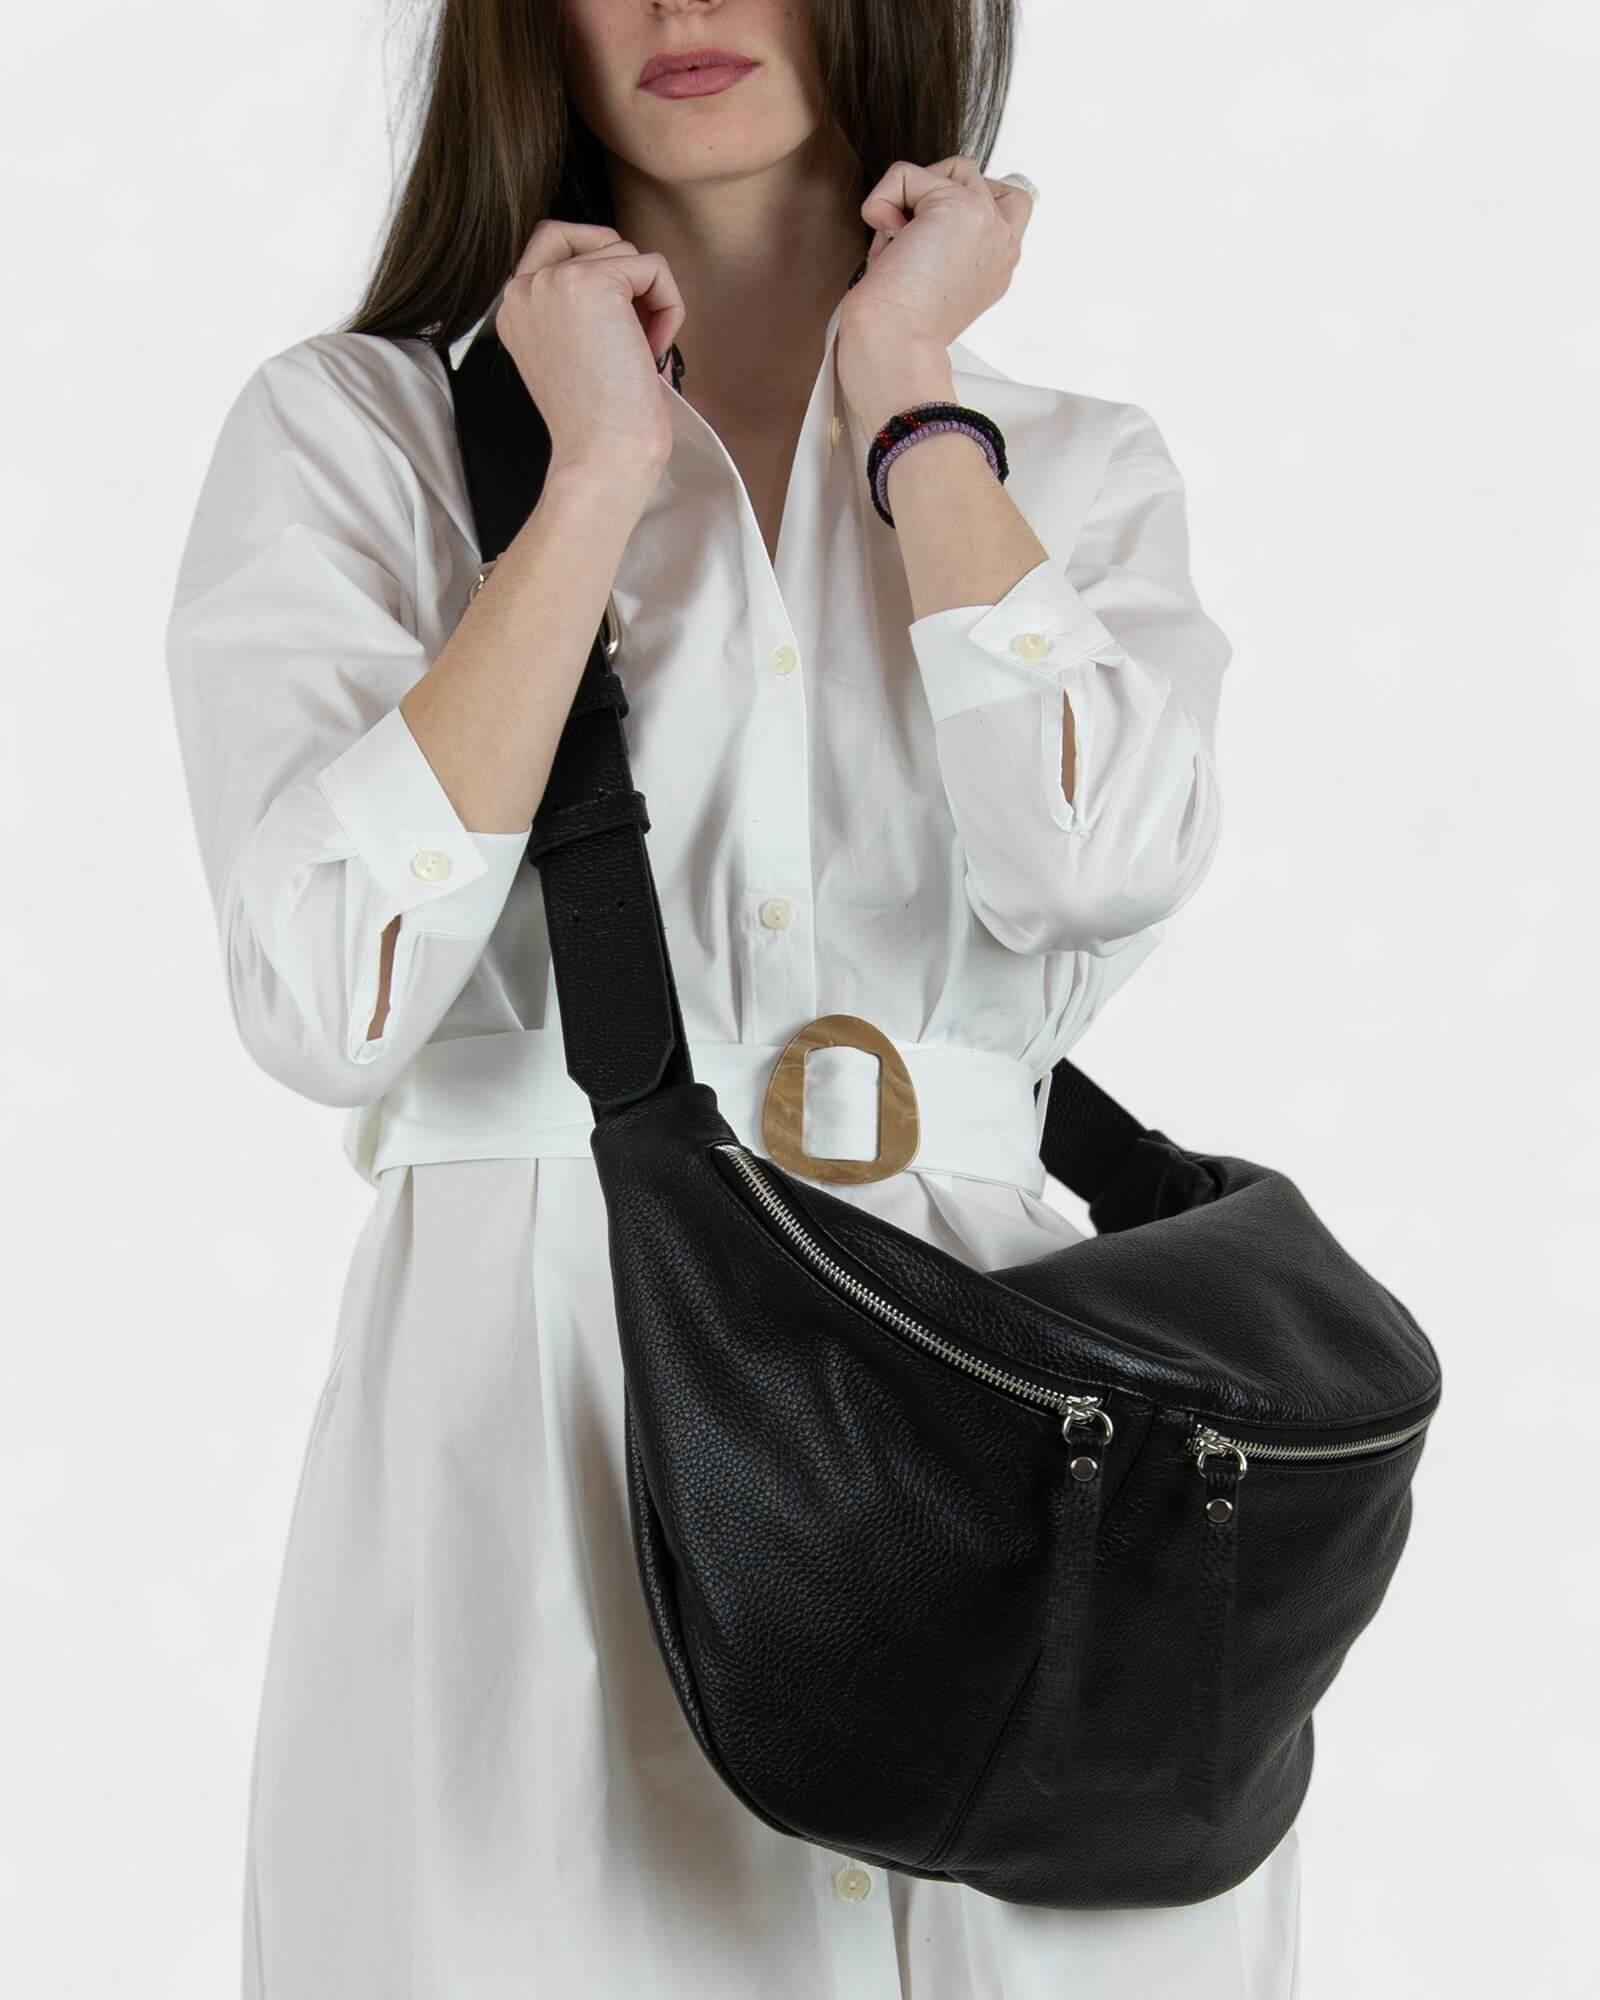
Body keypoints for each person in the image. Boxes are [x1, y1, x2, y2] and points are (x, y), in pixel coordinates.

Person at [164, 0, 1300, 1992]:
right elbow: (323, 989)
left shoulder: (1071, 470)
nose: (689, 7)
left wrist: (906, 391)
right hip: (531, 1453)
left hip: (1012, 1479)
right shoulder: (359, 438)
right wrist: (590, 474)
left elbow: (1098, 850)